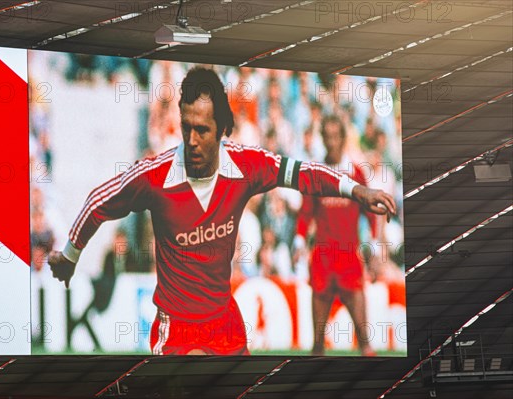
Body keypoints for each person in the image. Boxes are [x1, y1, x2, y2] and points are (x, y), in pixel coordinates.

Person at [48, 67, 396, 356]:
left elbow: (305, 173)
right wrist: (70, 255)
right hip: (177, 328)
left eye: (202, 130)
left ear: (223, 130)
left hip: (224, 321)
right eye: (186, 128)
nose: (192, 140)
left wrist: (356, 189)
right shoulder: (155, 175)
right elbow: (98, 203)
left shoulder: (247, 165)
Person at [296, 115, 380, 356]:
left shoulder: (355, 174)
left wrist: (373, 246)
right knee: (317, 347)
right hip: (322, 258)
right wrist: (299, 241)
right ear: (322, 138)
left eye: (336, 136)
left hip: (348, 259)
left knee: (366, 344)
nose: (332, 142)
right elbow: (305, 212)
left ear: (343, 138)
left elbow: (371, 212)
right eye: (327, 137)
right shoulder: (316, 173)